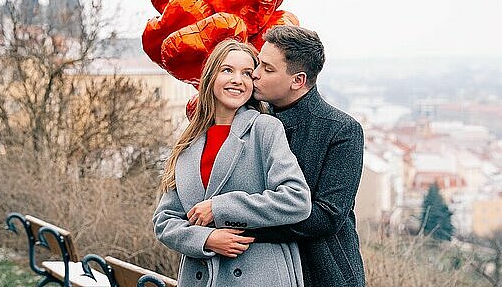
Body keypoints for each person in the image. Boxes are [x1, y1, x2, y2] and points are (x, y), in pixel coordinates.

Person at [152, 39, 312, 287]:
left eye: (247, 73)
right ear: (210, 77)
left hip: (258, 276)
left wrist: (221, 209)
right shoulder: (188, 143)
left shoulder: (265, 129)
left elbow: (297, 200)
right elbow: (164, 220)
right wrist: (206, 239)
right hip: (200, 277)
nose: (238, 79)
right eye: (227, 70)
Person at [245, 25, 366, 287]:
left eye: (267, 69)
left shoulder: (342, 130)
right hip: (262, 272)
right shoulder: (252, 121)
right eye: (258, 64)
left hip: (324, 274)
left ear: (298, 80)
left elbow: (327, 216)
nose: (255, 75)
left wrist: (243, 227)